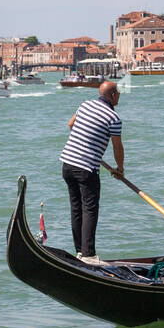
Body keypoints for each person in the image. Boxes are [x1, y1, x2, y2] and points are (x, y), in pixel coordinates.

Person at [60, 79, 125, 264]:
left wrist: (86, 144)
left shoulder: (85, 105)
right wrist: (119, 169)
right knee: (90, 209)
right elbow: (117, 147)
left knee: (76, 207)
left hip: (67, 163)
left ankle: (80, 251)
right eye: (118, 92)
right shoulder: (113, 118)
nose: (119, 95)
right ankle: (88, 255)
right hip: (86, 168)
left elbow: (71, 124)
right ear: (112, 95)